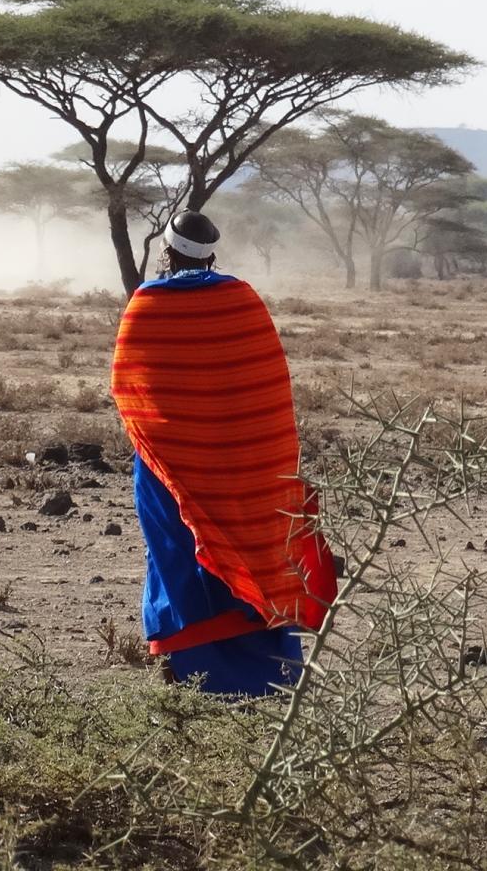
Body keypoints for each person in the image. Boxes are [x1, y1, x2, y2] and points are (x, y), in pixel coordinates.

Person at [111, 210, 336, 696]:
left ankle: (193, 676)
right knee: (255, 549)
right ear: (212, 254)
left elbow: (128, 388)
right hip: (245, 467)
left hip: (172, 466)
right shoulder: (243, 300)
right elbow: (267, 391)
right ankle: (271, 679)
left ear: (166, 253)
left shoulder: (146, 305)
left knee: (178, 553)